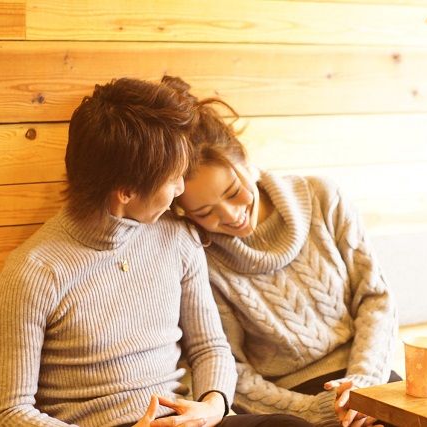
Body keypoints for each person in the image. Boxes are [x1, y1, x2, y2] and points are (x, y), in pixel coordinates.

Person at [0, 77, 313, 427]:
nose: (180, 189)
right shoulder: (34, 272)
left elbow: (209, 347)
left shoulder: (178, 238)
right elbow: (9, 413)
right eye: (173, 178)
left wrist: (212, 405)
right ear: (126, 191)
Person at [167, 75, 400, 427]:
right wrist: (318, 411)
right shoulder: (201, 255)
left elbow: (375, 299)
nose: (230, 215)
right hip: (290, 405)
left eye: (233, 192)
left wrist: (364, 385)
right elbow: (231, 368)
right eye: (204, 212)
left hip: (369, 374)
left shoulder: (321, 197)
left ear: (245, 160)